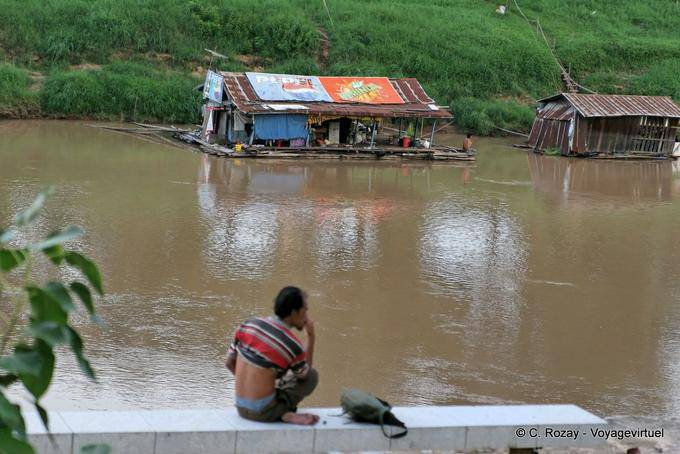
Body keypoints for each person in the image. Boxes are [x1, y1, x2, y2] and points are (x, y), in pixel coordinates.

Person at [226, 286, 319, 425]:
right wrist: (311, 337)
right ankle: (281, 413)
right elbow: (305, 375)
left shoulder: (248, 325)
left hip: (240, 406)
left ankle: (267, 401)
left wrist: (252, 384)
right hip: (263, 413)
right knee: (312, 376)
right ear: (294, 313)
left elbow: (228, 362)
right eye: (305, 310)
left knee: (277, 373)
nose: (307, 316)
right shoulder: (291, 343)